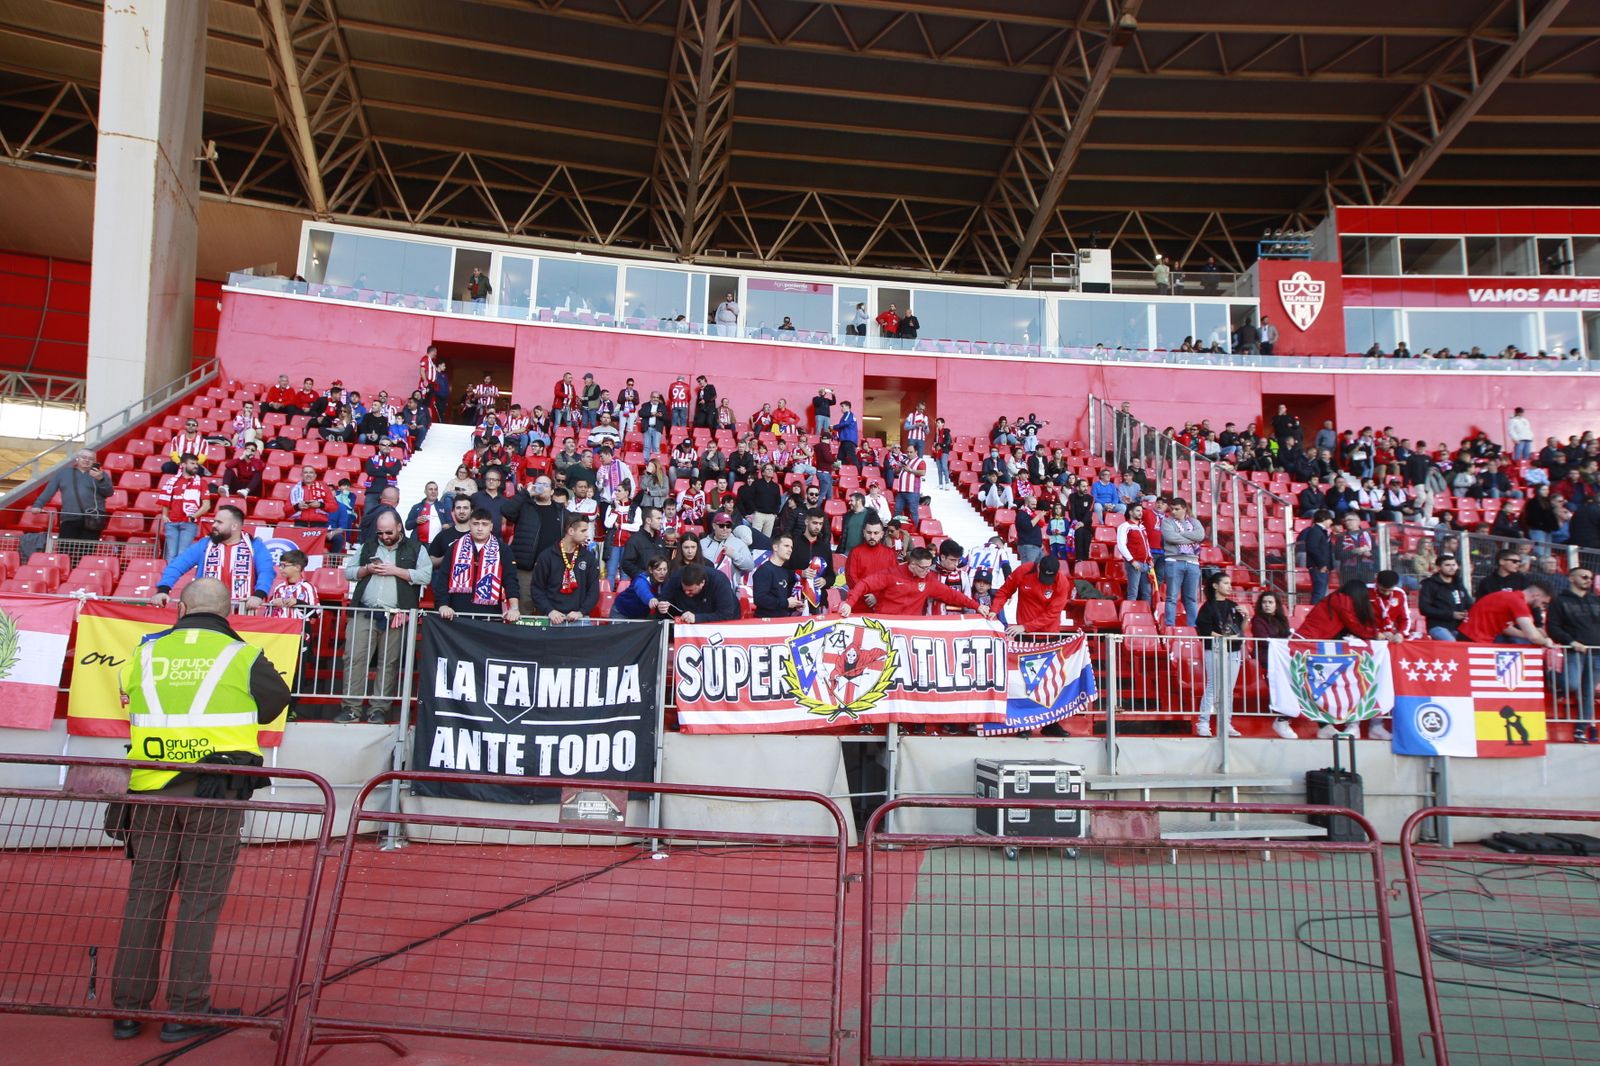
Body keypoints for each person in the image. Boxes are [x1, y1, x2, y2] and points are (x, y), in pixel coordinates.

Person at [109, 578, 292, 1043]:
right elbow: (274, 705)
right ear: (227, 612)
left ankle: (127, 1008)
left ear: (181, 607)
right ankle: (186, 1009)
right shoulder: (242, 654)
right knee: (199, 900)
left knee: (144, 896)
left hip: (150, 791)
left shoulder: (145, 651)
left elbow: (128, 696)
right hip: (215, 793)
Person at [337, 511, 431, 723]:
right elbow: (349, 572)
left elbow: (425, 576)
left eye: (389, 532)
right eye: (380, 533)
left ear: (399, 527)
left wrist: (395, 570)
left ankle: (378, 709)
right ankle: (351, 708)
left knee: (389, 663)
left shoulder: (417, 548)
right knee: (354, 659)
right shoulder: (368, 545)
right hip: (365, 610)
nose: (384, 536)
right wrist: (367, 569)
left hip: (396, 615)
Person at [153, 505, 273, 610]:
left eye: (219, 522)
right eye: (214, 521)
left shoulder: (255, 546)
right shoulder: (204, 544)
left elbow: (266, 572)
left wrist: (258, 595)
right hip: (206, 610)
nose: (214, 525)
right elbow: (177, 566)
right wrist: (163, 590)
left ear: (234, 526)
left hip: (242, 611)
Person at [844, 547, 989, 618]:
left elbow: (952, 595)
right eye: (924, 568)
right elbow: (864, 584)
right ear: (911, 564)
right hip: (886, 625)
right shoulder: (891, 574)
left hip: (910, 629)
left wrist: (977, 606)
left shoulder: (928, 581)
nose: (927, 571)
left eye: (929, 567)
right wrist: (849, 603)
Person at [439, 509, 521, 622]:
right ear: (470, 525)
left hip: (489, 616)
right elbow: (443, 578)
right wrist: (443, 605)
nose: (480, 528)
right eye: (476, 524)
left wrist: (514, 608)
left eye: (484, 524)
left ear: (491, 527)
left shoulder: (503, 549)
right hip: (457, 615)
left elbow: (510, 581)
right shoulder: (455, 547)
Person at [1548, 568, 1600, 742]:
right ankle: (1552, 676)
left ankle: (1581, 729)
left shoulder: (1596, 600)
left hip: (1596, 653)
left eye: (1590, 578)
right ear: (1571, 578)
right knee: (1572, 684)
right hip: (1574, 652)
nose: (1588, 580)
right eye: (1584, 577)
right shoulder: (1559, 601)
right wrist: (1571, 642)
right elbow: (1553, 627)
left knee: (1588, 693)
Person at [1193, 570, 1246, 738]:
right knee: (1213, 686)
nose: (1229, 586)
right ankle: (1203, 722)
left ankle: (1226, 722)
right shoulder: (1207, 607)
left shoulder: (1232, 606)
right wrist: (1223, 637)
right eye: (1225, 583)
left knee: (1228, 689)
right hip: (1215, 649)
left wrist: (1246, 617)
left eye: (1230, 584)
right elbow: (1204, 630)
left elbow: (1240, 630)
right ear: (1215, 585)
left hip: (1233, 649)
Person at [529, 514, 600, 624]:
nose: (587, 535)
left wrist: (581, 612)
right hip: (552, 618)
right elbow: (537, 588)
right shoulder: (547, 556)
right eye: (583, 531)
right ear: (571, 531)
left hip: (580, 618)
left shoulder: (588, 557)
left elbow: (594, 590)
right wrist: (550, 610)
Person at [30, 448, 113, 540]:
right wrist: (38, 505)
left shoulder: (101, 475)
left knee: (86, 552)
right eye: (84, 457)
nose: (87, 460)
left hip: (93, 519)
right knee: (66, 550)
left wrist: (100, 479)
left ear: (95, 461)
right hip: (69, 517)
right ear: (77, 458)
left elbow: (109, 493)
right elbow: (49, 490)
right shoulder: (63, 473)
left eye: (91, 459)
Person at [1460, 583, 1554, 647]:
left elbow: (1505, 628)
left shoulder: (1509, 597)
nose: (1542, 607)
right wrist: (1546, 642)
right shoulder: (1518, 602)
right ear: (1536, 595)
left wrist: (1531, 634)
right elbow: (1533, 636)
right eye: (1543, 603)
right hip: (1474, 639)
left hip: (1472, 636)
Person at [994, 555, 1069, 634]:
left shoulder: (1062, 582)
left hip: (1049, 633)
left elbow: (1053, 612)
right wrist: (994, 610)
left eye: (1050, 577)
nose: (1046, 581)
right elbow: (1005, 590)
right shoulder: (1024, 570)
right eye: (1044, 576)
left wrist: (1026, 627)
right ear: (1038, 567)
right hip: (1024, 633)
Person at [1160, 497, 1205, 627]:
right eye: (1172, 509)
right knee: (1172, 597)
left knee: (1191, 598)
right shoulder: (1167, 522)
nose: (1173, 512)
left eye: (1177, 509)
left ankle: (1193, 627)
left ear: (1184, 509)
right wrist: (1191, 538)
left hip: (1192, 562)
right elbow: (1170, 537)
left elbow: (1200, 536)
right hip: (1174, 560)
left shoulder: (1194, 522)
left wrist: (1180, 535)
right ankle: (1170, 626)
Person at [155, 454, 209, 561]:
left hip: (189, 523)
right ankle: (171, 577)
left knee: (182, 553)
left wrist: (193, 517)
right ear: (183, 464)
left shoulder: (202, 483)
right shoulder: (171, 481)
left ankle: (180, 577)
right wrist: (164, 515)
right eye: (192, 463)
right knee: (171, 554)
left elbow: (207, 505)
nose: (196, 466)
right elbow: (166, 500)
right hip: (172, 522)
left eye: (196, 464)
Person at [657, 562, 741, 623]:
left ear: (702, 583)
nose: (686, 592)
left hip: (724, 620)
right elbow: (664, 600)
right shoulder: (676, 578)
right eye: (684, 589)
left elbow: (725, 614)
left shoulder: (719, 581)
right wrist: (662, 606)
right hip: (687, 615)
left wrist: (697, 618)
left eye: (690, 590)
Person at [1419, 555, 1472, 640]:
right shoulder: (1429, 584)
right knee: (1451, 644)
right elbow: (1424, 609)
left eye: (1454, 565)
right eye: (1447, 565)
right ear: (1438, 567)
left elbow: (1469, 603)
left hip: (1459, 626)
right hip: (1438, 626)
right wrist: (1451, 614)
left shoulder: (1458, 583)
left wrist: (1467, 612)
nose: (1452, 568)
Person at [1116, 500, 1155, 605]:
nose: (1140, 513)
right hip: (1134, 563)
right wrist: (1132, 561)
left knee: (1147, 592)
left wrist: (1150, 558)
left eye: (1141, 511)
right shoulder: (1124, 526)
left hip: (1145, 564)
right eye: (1137, 511)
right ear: (1130, 512)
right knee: (1133, 592)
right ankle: (1131, 614)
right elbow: (1121, 545)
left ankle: (1147, 614)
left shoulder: (1142, 527)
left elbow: (1147, 545)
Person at [610, 555, 670, 619]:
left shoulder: (665, 582)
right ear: (650, 570)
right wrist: (651, 599)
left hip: (640, 615)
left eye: (665, 569)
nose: (662, 573)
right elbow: (643, 591)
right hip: (621, 612)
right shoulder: (641, 580)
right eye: (658, 570)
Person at [1299, 509, 1335, 604]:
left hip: (1321, 566)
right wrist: (1322, 564)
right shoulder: (1315, 531)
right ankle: (1315, 613)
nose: (1331, 522)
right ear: (1323, 519)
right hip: (1318, 567)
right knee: (1319, 593)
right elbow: (1312, 547)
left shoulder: (1320, 531)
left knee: (1321, 592)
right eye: (1329, 519)